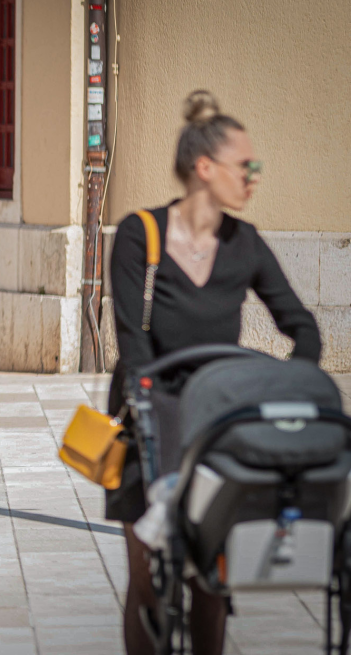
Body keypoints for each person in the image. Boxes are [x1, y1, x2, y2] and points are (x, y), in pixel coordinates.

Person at [107, 91, 322, 654]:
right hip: (145, 417)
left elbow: (302, 326)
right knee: (147, 577)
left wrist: (286, 386)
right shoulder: (140, 236)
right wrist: (152, 408)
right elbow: (132, 340)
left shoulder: (244, 243)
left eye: (257, 168)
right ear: (205, 169)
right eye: (246, 167)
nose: (254, 178)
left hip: (215, 422)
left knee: (210, 580)